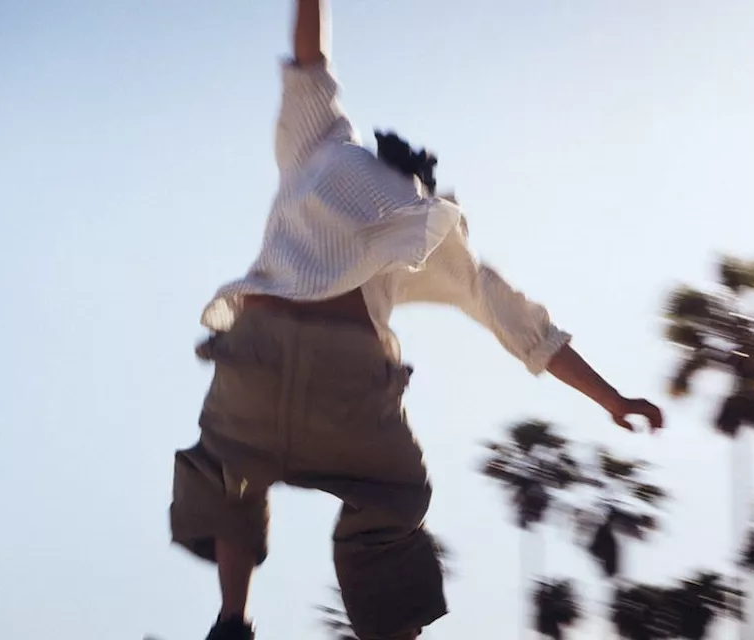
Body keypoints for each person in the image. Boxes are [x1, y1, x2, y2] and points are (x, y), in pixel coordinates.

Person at [168, 2, 664, 639]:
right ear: (423, 179)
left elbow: (309, 59)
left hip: (257, 356)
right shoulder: (434, 223)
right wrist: (612, 398)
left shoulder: (320, 144)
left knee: (224, 464)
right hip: (349, 382)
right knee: (395, 497)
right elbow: (530, 334)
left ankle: (233, 619)